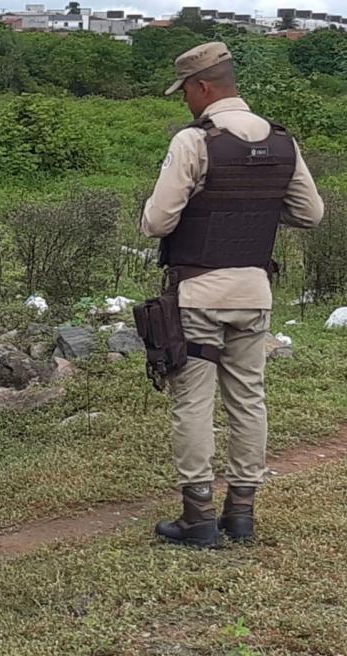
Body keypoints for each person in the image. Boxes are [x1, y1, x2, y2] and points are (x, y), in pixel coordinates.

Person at [141, 42, 324, 548]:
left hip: (199, 294)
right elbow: (310, 215)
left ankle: (198, 516)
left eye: (186, 93)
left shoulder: (194, 141)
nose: (186, 103)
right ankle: (241, 512)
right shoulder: (283, 142)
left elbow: (157, 222)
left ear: (202, 87)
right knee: (249, 398)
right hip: (254, 292)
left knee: (194, 402)